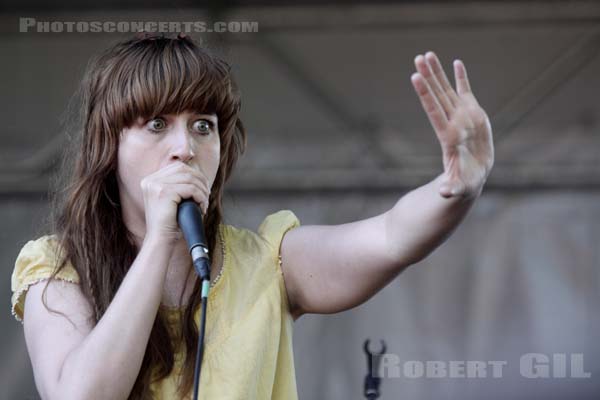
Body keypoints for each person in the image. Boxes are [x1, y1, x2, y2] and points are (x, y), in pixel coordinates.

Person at [10, 32, 494, 400]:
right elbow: (80, 395)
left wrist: (454, 188)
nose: (184, 148)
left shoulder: (266, 260)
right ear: (109, 146)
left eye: (203, 126)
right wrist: (159, 240)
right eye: (157, 124)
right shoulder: (55, 268)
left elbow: (389, 238)